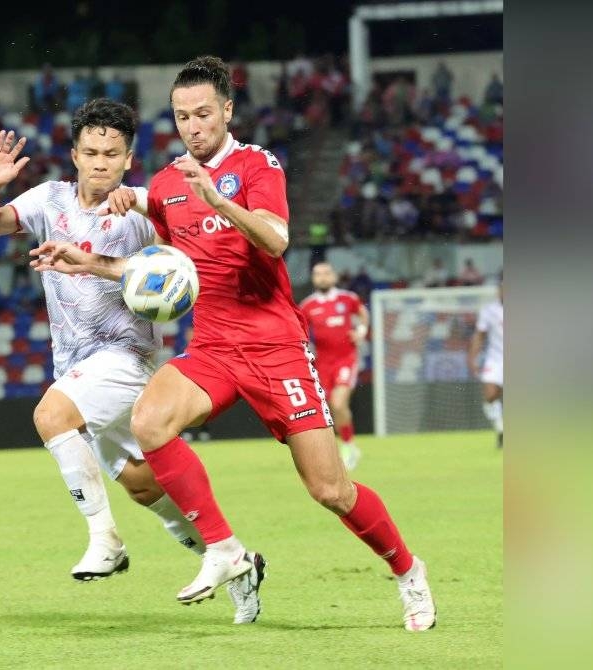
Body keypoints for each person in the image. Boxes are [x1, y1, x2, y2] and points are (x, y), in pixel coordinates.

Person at [29, 55, 435, 631]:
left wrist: (219, 201)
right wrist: (87, 261)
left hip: (276, 348)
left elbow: (276, 241)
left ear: (227, 111)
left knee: (329, 488)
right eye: (181, 116)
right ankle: (223, 549)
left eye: (202, 114)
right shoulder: (167, 183)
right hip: (214, 347)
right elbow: (156, 272)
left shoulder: (256, 165)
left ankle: (408, 570)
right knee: (150, 421)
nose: (192, 126)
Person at [0, 98, 264, 624]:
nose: (101, 162)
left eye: (112, 154)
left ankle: (105, 540)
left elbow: (182, 268)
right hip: (77, 364)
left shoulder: (143, 212)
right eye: (91, 152)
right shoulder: (48, 199)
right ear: (75, 155)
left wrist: (148, 219)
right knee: (144, 484)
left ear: (128, 159)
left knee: (50, 417)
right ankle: (234, 559)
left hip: (127, 357)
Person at [299, 262, 369, 471]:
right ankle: (346, 446)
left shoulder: (347, 299)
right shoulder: (308, 306)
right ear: (313, 278)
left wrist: (362, 331)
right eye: (318, 274)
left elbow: (363, 313)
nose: (322, 277)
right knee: (330, 409)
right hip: (323, 363)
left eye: (326, 273)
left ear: (334, 277)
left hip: (346, 359)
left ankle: (348, 446)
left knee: (338, 403)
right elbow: (301, 332)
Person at [469, 278, 504, 448]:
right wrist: (472, 358)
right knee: (490, 394)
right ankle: (500, 427)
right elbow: (479, 335)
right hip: (496, 358)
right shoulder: (489, 310)